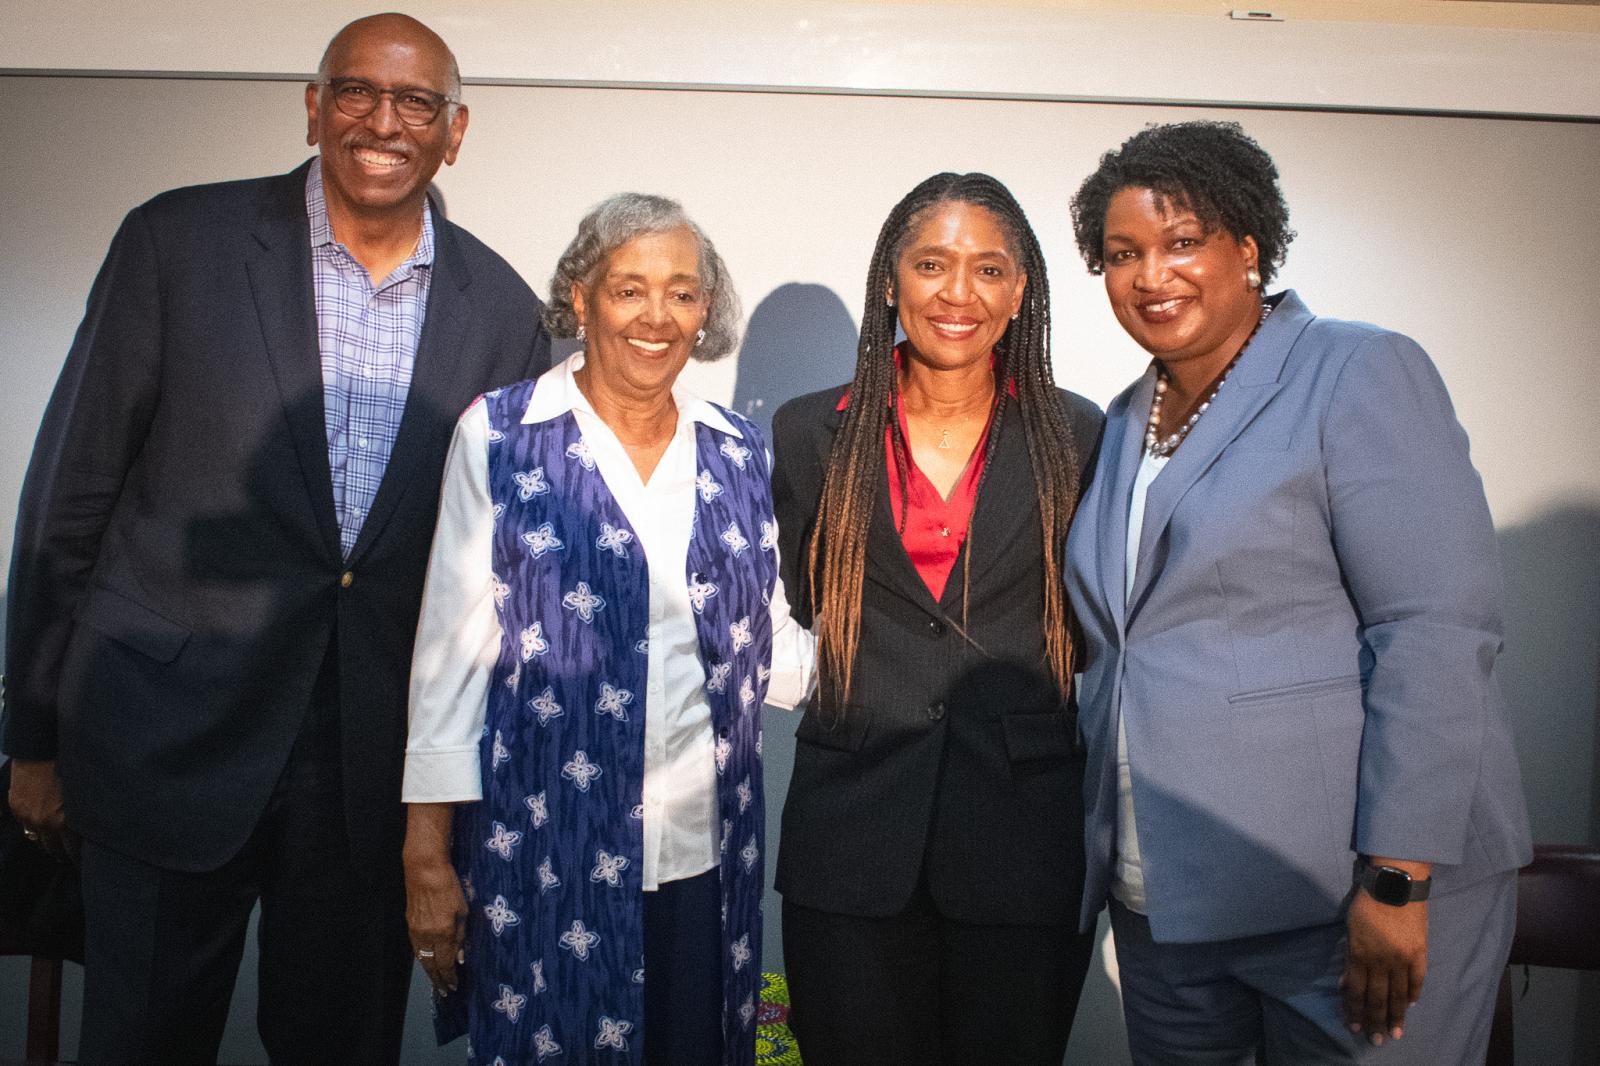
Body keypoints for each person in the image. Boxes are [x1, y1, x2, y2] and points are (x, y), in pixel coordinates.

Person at [1, 13, 550, 1063]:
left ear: (456, 130)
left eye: (416, 102)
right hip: (161, 744)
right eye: (355, 91)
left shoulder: (504, 310)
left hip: (363, 778)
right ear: (312, 106)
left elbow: (491, 569)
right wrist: (30, 734)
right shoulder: (176, 243)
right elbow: (69, 494)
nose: (382, 120)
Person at [1065, 120, 1532, 1064]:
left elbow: (1434, 629)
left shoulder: (1357, 371)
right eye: (1123, 254)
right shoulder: (1121, 421)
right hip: (1168, 904)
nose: (1152, 274)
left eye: (1183, 241)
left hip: (1341, 900)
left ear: (1249, 246)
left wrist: (1398, 879)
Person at [401, 192, 815, 1066]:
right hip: (545, 855)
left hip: (706, 860)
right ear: (580, 297)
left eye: (682, 292)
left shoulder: (739, 449)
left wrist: (908, 641)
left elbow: (768, 648)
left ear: (707, 311)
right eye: (629, 289)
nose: (656, 317)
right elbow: (448, 662)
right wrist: (427, 856)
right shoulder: (503, 436)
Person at [770, 172, 1104, 1064]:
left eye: (989, 270)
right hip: (850, 840)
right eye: (932, 264)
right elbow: (804, 603)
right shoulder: (808, 434)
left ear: (1021, 290)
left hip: (1024, 844)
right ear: (891, 279)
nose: (960, 294)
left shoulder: (1080, 437)